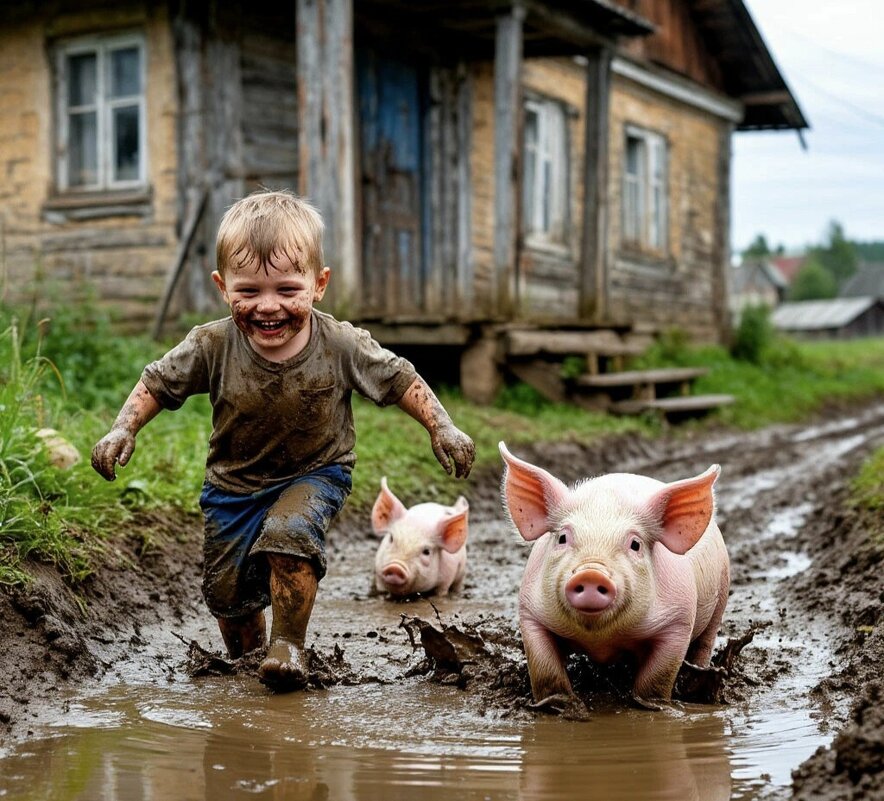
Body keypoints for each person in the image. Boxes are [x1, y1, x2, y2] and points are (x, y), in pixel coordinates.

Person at [91, 189, 475, 691]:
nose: (267, 307)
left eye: (286, 290)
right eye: (248, 292)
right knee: (227, 594)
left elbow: (400, 379)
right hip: (233, 487)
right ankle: (249, 661)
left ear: (318, 285)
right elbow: (156, 382)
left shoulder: (339, 344)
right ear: (221, 286)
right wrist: (124, 426)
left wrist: (440, 424)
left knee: (291, 535)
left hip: (316, 472)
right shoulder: (211, 344)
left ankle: (289, 644)